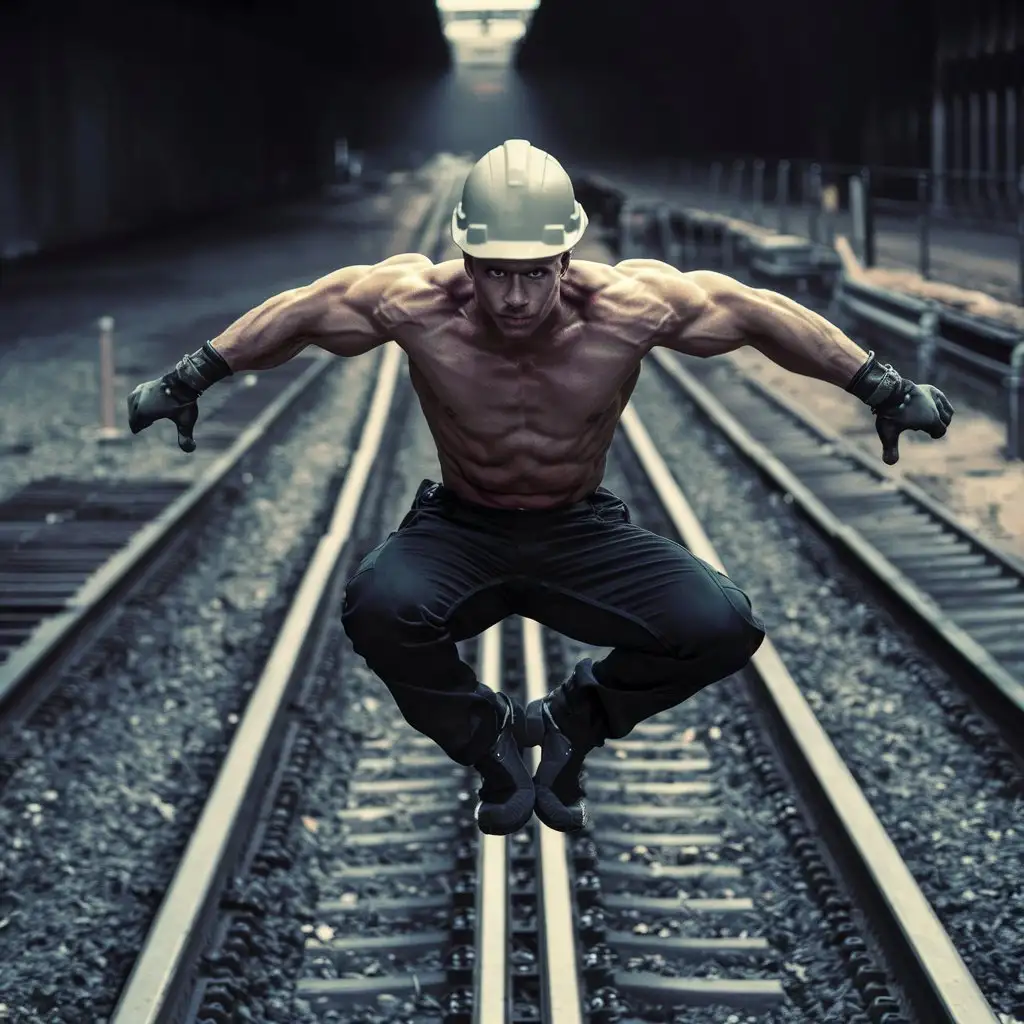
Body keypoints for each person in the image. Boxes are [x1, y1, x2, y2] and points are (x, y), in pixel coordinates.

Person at [127, 140, 954, 837]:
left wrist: (881, 388)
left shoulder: (629, 309)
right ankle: (489, 739)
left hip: (578, 531)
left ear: (569, 254)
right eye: (492, 272)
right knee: (377, 605)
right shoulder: (417, 305)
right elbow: (306, 310)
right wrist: (195, 374)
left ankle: (568, 724)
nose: (513, 295)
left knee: (723, 624)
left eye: (534, 273)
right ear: (465, 259)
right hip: (462, 528)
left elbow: (758, 312)